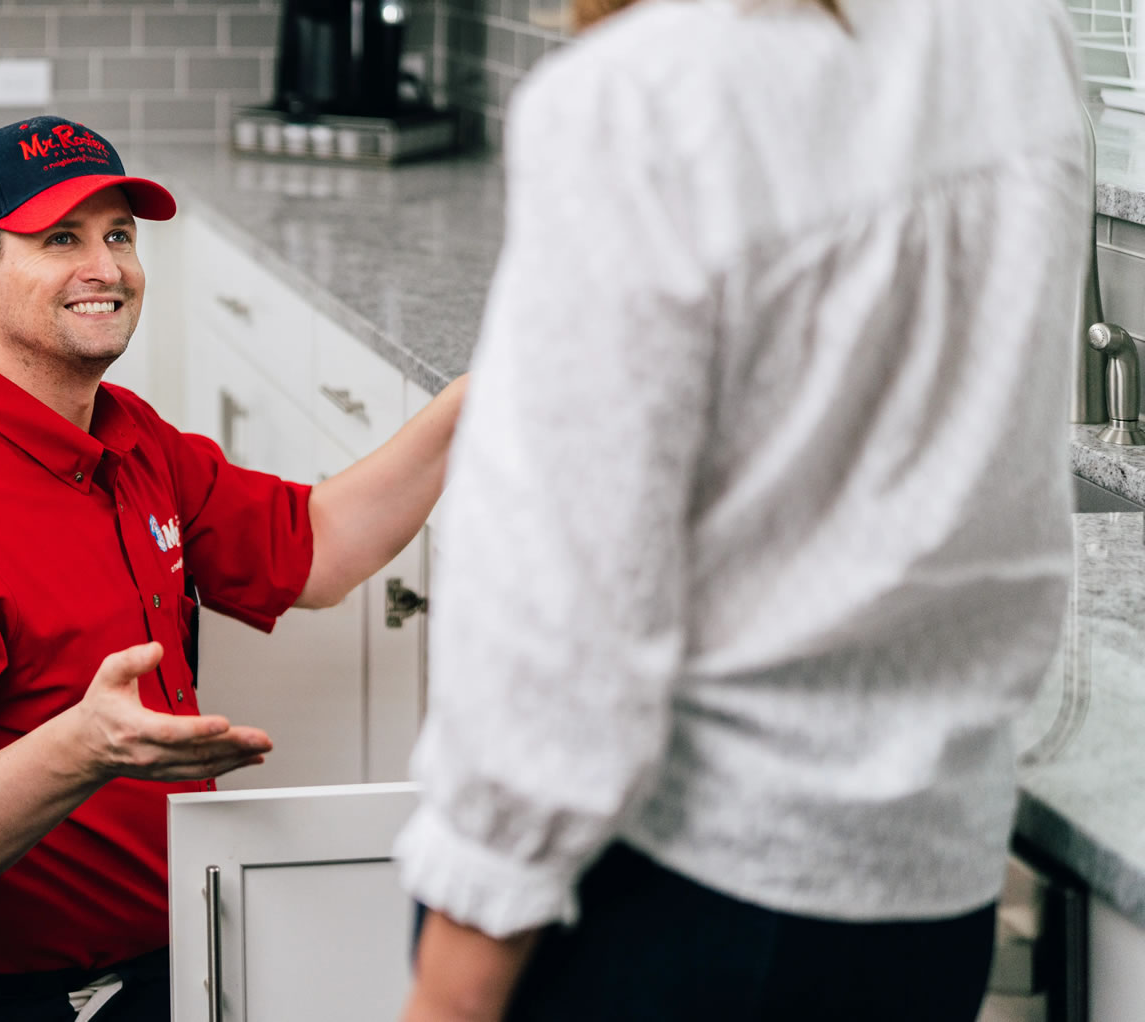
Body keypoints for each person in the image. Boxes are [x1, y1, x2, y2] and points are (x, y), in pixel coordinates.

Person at [396, 0, 1089, 1019]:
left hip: (661, 897)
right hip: (926, 904)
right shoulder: (1017, 37)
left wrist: (455, 975)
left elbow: (566, 604)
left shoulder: (636, 102)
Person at [0, 115, 467, 1022]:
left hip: (176, 952)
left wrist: (470, 405)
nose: (107, 268)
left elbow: (315, 546)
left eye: (119, 234)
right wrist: (84, 749)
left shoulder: (130, 438)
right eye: (59, 240)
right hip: (10, 998)